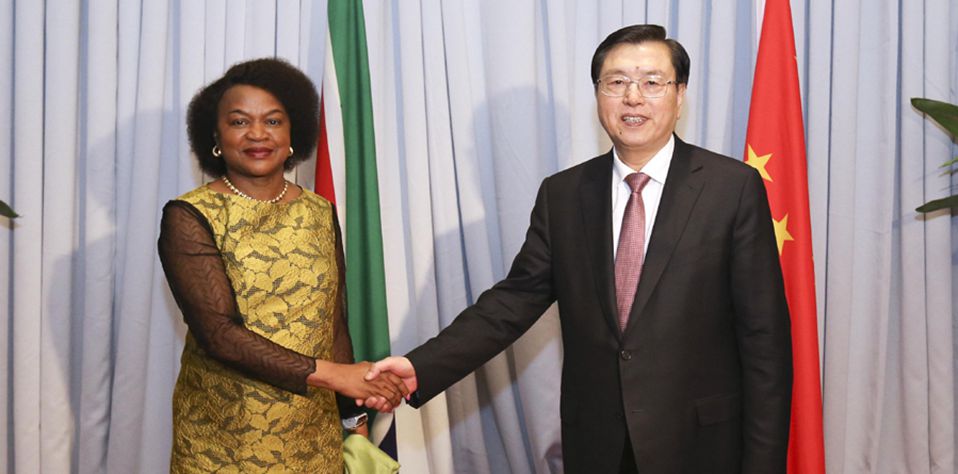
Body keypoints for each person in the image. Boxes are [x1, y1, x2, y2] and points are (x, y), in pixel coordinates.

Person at [366, 25, 793, 473]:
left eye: (652, 82)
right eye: (616, 82)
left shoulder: (731, 189)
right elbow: (512, 302)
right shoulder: (564, 195)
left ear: (679, 94)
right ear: (597, 94)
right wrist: (421, 367)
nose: (633, 97)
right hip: (598, 446)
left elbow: (765, 342)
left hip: (700, 447)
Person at [157, 58, 407, 473]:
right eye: (239, 122)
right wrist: (336, 376)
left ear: (294, 133)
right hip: (225, 437)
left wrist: (353, 417)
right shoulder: (189, 215)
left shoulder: (319, 211)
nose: (258, 134)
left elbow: (332, 324)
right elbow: (220, 335)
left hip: (313, 433)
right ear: (215, 136)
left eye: (273, 121)